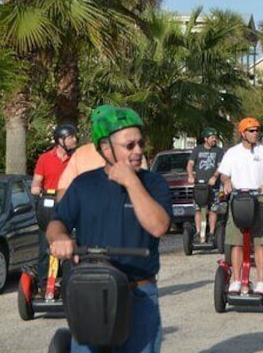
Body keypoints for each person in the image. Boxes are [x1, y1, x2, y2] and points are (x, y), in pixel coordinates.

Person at [48, 105, 171, 353]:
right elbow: (57, 222)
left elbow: (158, 227)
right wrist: (59, 237)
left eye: (140, 143)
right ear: (105, 148)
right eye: (129, 145)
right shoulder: (84, 184)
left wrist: (131, 181)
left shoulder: (153, 183)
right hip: (91, 292)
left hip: (139, 292)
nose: (138, 151)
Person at [217, 117, 263, 294]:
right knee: (236, 243)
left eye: (257, 130)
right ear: (242, 133)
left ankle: (260, 281)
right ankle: (236, 279)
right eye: (251, 131)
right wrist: (226, 182)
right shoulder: (232, 153)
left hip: (258, 199)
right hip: (238, 199)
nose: (255, 133)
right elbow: (224, 174)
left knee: (259, 242)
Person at [30, 123, 78, 295]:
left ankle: (69, 283)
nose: (75, 140)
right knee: (45, 246)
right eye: (71, 137)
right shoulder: (45, 158)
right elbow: (36, 183)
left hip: (70, 204)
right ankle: (44, 285)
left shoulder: (76, 159)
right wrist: (37, 190)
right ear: (60, 140)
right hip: (49, 205)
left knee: (70, 244)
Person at [186, 127, 225, 243]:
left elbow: (220, 166)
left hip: (213, 186)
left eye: (215, 137)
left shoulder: (218, 151)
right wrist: (190, 175)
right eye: (212, 137)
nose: (214, 139)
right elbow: (190, 164)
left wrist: (214, 176)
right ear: (206, 139)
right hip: (199, 186)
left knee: (213, 209)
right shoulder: (197, 150)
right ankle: (199, 233)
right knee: (198, 209)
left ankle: (212, 233)